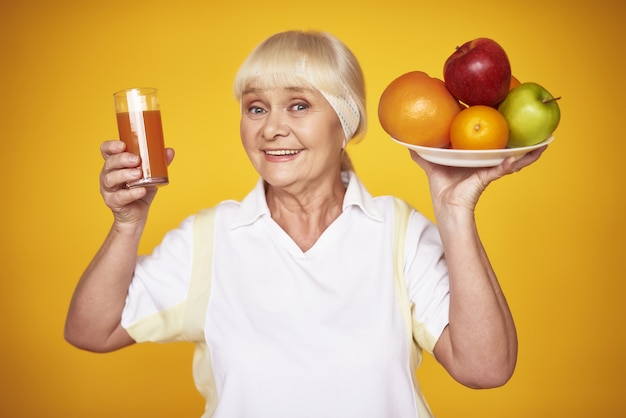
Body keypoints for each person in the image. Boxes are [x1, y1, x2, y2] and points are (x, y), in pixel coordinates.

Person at [65, 30, 546, 417]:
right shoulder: (210, 238)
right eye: (256, 107)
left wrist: (454, 209)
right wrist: (128, 222)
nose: (271, 127)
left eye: (299, 105)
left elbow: (485, 369)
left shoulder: (397, 232)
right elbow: (92, 331)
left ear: (347, 122)